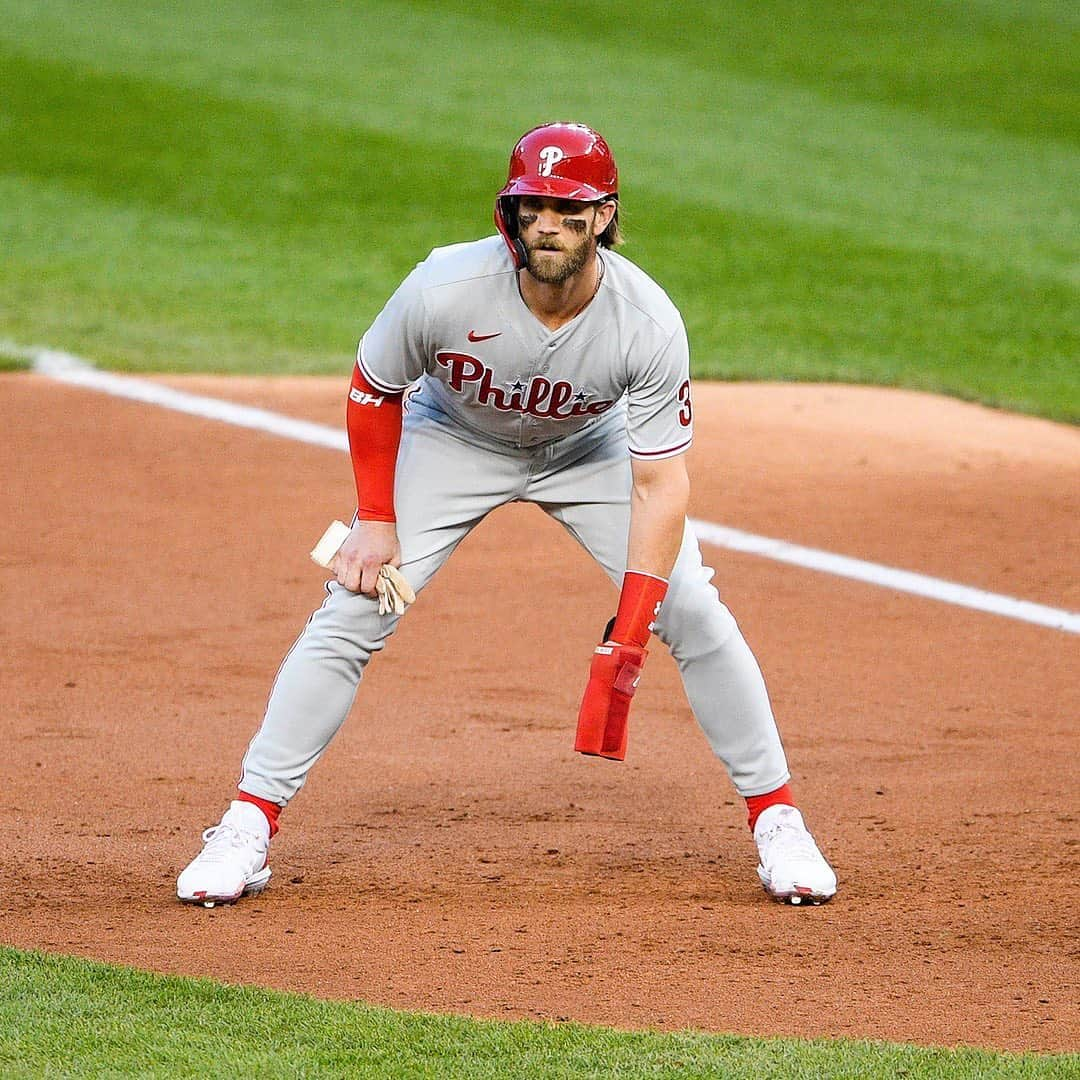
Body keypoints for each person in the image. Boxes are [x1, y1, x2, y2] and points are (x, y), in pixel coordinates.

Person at [177, 122, 837, 908]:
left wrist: (629, 632)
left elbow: (661, 485)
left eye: (568, 208)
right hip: (453, 441)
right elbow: (372, 388)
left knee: (691, 608)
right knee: (355, 608)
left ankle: (777, 819)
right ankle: (248, 825)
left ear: (604, 217)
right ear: (510, 213)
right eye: (533, 207)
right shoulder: (443, 288)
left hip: (588, 453)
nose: (548, 224)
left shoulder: (648, 322)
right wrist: (375, 518)